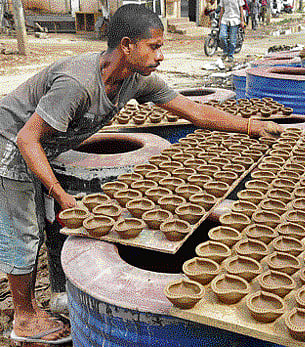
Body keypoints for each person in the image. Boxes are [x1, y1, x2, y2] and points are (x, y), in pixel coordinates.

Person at [0, 4, 282, 345]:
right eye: (155, 46)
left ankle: (34, 301)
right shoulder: (78, 83)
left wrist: (251, 126)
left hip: (39, 143)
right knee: (24, 230)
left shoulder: (134, 80)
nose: (161, 56)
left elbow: (193, 111)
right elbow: (27, 138)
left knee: (41, 221)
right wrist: (60, 193)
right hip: (11, 141)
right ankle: (24, 317)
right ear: (127, 46)